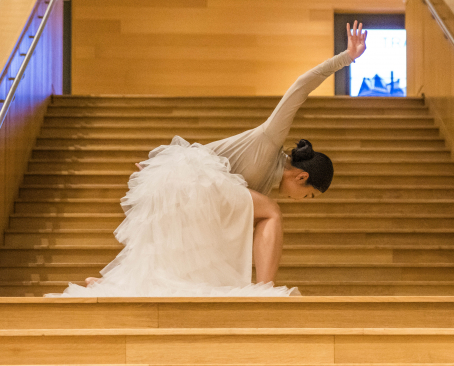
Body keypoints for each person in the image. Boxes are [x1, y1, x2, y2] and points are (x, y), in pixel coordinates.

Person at [46, 22, 367, 298]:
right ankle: (267, 290)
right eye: (308, 195)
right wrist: (346, 58)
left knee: (191, 263)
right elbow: (300, 87)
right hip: (191, 180)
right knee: (270, 212)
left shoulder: (260, 188)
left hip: (197, 189)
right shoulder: (271, 141)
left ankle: (107, 286)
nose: (302, 200)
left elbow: (217, 155)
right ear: (300, 177)